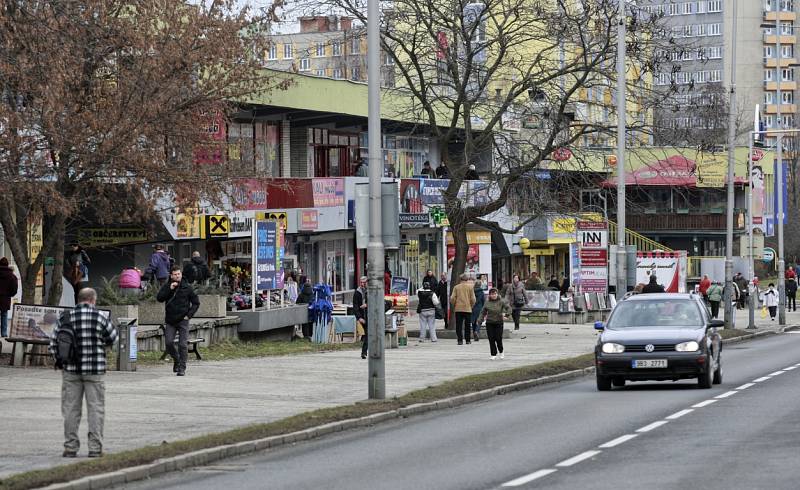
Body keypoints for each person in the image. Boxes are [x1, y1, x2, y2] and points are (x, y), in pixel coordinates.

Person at [48, 288, 118, 458]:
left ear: (78, 300)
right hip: (95, 371)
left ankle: (70, 447)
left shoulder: (66, 318)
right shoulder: (100, 317)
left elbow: (53, 344)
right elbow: (113, 338)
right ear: (93, 300)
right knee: (96, 409)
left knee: (71, 409)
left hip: (71, 371)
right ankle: (95, 448)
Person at [157, 266, 200, 376]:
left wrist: (189, 315)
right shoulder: (167, 286)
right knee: (169, 343)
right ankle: (176, 359)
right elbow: (159, 298)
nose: (177, 276)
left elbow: (196, 303)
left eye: (179, 274)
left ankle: (182, 367)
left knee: (182, 344)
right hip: (171, 320)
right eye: (175, 274)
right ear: (171, 276)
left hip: (183, 320)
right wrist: (169, 289)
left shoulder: (187, 287)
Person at [480, 288, 511, 360]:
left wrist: (506, 315)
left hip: (498, 322)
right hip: (489, 322)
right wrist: (479, 320)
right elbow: (483, 312)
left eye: (495, 294)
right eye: (492, 294)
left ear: (497, 294)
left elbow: (509, 308)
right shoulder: (487, 303)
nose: (493, 295)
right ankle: (493, 354)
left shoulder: (501, 301)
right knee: (491, 338)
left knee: (498, 338)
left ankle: (501, 351)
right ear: (490, 295)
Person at [450, 273, 476, 345]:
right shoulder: (470, 287)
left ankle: (460, 340)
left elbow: (452, 298)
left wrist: (454, 304)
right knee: (467, 325)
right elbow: (473, 299)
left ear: (460, 279)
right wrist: (471, 306)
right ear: (467, 279)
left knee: (459, 325)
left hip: (458, 309)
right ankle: (468, 340)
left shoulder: (456, 287)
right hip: (468, 309)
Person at [0, 257, 18, 337]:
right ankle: (4, 333)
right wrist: (10, 294)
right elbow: (14, 288)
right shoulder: (12, 276)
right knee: (4, 314)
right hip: (5, 298)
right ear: (7, 265)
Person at [353, 276, 368, 358]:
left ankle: (365, 352)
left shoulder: (370, 291)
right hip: (363, 317)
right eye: (361, 282)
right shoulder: (357, 292)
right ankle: (364, 352)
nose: (362, 284)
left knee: (368, 334)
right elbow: (355, 307)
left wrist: (367, 305)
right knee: (368, 334)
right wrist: (359, 318)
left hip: (371, 316)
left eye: (364, 282)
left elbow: (376, 301)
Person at [471, 275, 485, 341]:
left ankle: (474, 332)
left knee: (473, 322)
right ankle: (476, 331)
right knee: (479, 321)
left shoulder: (472, 292)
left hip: (472, 308)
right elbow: (483, 301)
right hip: (479, 309)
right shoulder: (481, 293)